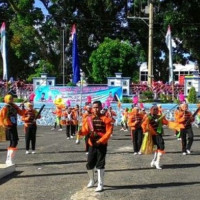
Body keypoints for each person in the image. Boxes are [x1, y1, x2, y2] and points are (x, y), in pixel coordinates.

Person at [78, 101, 112, 192]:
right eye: (94, 107)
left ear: (101, 107)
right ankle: (92, 180)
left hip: (101, 144)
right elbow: (85, 130)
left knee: (100, 164)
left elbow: (109, 132)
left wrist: (100, 141)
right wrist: (81, 132)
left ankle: (100, 184)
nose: (95, 109)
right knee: (89, 163)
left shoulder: (106, 119)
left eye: (97, 107)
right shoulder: (89, 119)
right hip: (92, 144)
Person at [0, 94, 25, 165]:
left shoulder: (15, 106)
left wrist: (22, 106)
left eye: (11, 98)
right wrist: (3, 125)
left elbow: (21, 113)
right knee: (14, 141)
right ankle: (9, 159)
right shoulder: (5, 108)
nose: (11, 100)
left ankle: (9, 159)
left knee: (14, 141)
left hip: (13, 126)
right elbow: (1, 117)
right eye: (9, 99)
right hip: (8, 126)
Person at [141, 105, 168, 170]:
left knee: (161, 147)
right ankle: (154, 160)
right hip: (151, 135)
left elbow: (165, 123)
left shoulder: (159, 116)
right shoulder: (148, 117)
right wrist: (145, 131)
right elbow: (143, 125)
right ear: (151, 110)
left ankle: (157, 162)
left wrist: (163, 118)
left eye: (156, 109)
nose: (156, 111)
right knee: (155, 148)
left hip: (158, 134)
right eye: (154, 109)